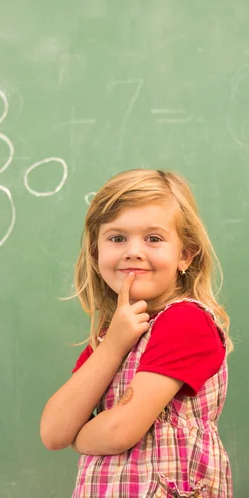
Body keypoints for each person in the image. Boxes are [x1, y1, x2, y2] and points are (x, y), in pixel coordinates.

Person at [39, 169, 233, 497]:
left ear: (184, 255)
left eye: (153, 238)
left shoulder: (186, 322)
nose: (133, 251)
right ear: (96, 253)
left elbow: (119, 430)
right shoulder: (114, 334)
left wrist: (80, 436)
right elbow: (54, 432)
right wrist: (113, 344)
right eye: (117, 238)